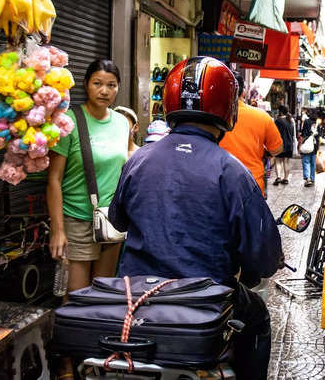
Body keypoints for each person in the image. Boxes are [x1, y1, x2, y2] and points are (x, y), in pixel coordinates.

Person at [109, 57, 283, 380]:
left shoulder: (139, 160)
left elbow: (117, 220)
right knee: (257, 315)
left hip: (136, 297)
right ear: (227, 110)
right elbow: (263, 259)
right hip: (206, 303)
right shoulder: (232, 172)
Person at [47, 59, 129, 292]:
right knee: (76, 297)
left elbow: (129, 158)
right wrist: (58, 230)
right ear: (86, 85)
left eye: (111, 85)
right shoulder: (69, 122)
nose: (104, 91)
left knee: (103, 295)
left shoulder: (122, 123)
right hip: (77, 220)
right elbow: (54, 179)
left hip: (112, 220)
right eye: (98, 83)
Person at [219, 72, 283, 195]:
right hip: (252, 186)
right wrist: (265, 152)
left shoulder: (211, 116)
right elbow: (277, 149)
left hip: (218, 186)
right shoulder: (261, 116)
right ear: (243, 92)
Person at [273, 105, 293, 185]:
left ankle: (278, 177)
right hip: (289, 144)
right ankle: (286, 178)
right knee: (286, 162)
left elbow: (274, 133)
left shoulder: (278, 121)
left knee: (278, 161)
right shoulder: (290, 120)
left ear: (280, 112)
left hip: (280, 144)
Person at [299, 108, 318, 187]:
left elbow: (303, 133)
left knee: (306, 161)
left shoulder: (306, 121)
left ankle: (308, 178)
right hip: (315, 145)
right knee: (313, 163)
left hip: (307, 144)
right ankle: (312, 178)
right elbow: (319, 135)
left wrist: (301, 141)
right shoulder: (317, 123)